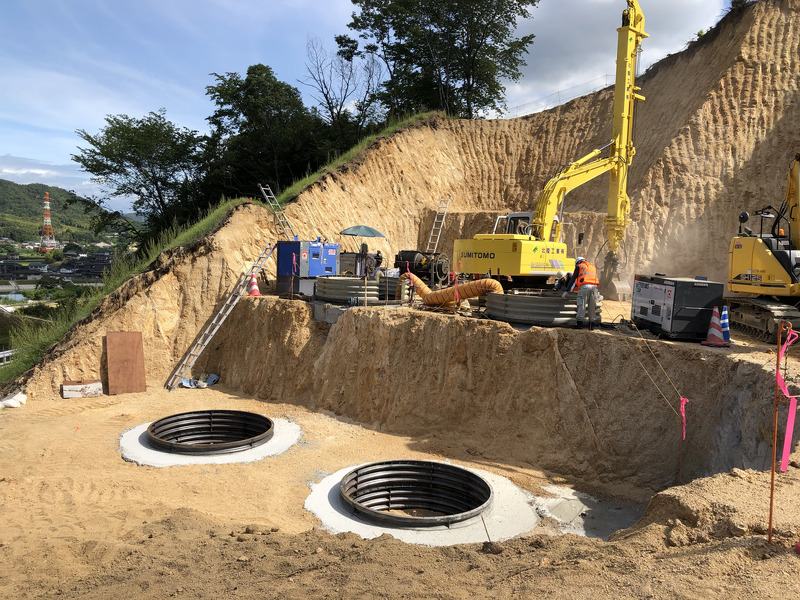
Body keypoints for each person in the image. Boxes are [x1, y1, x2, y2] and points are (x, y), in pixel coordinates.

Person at [569, 257, 600, 326]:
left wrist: (567, 289)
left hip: (584, 286)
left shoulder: (579, 266)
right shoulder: (592, 267)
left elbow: (573, 278)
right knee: (592, 305)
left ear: (578, 262)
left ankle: (579, 323)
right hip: (594, 287)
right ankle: (592, 324)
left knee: (581, 304)